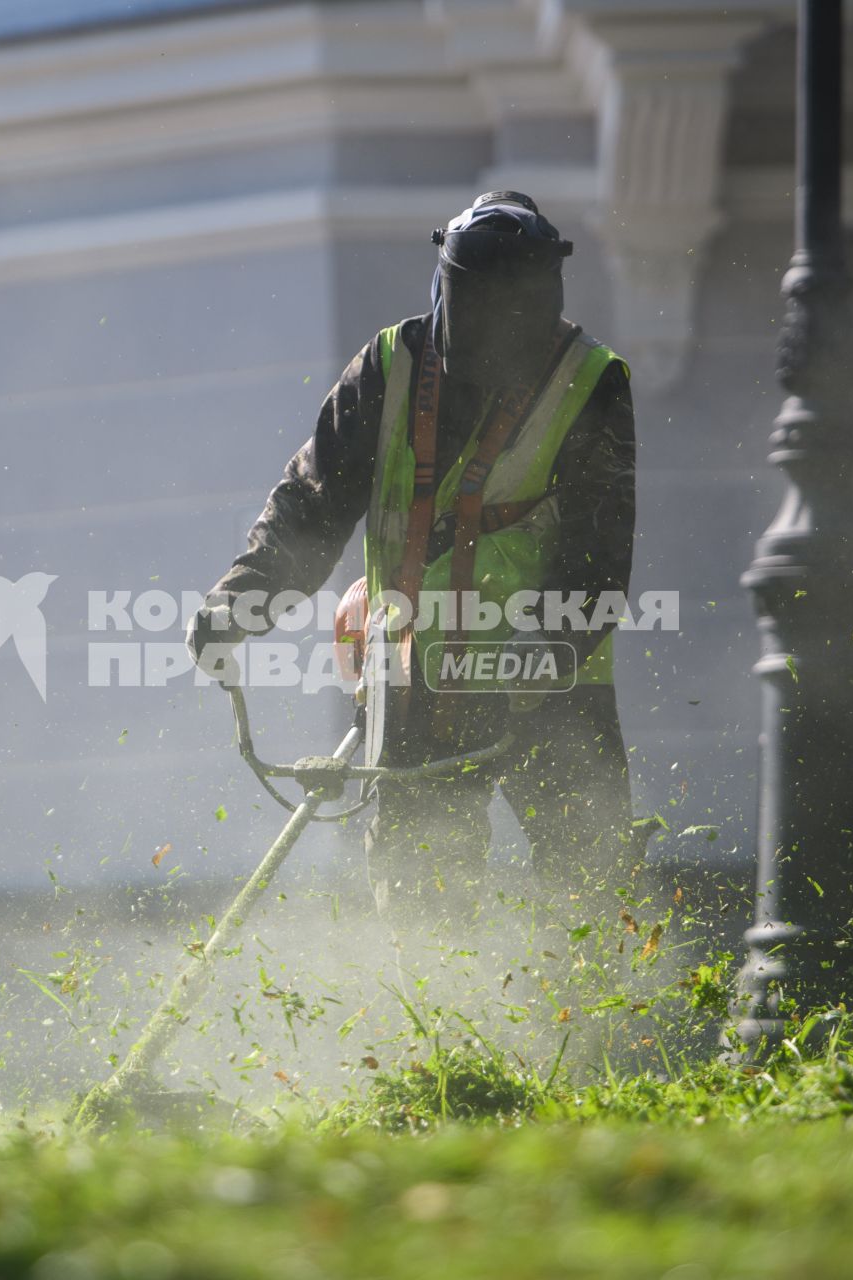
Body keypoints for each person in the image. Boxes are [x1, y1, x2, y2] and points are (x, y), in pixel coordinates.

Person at [187, 191, 638, 938]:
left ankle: (586, 1043)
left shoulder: (591, 383)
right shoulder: (389, 369)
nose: (499, 332)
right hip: (412, 675)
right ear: (448, 289)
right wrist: (241, 602)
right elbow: (312, 504)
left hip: (547, 679)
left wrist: (551, 648)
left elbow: (600, 549)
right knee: (420, 890)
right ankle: (438, 1042)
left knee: (585, 877)